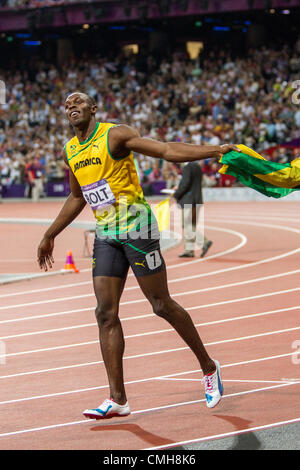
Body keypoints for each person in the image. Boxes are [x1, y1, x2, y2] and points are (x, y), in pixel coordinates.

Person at [37, 92, 239, 419]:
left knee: (160, 305)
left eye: (78, 102)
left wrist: (214, 151)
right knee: (104, 312)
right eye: (66, 105)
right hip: (106, 234)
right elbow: (78, 196)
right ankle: (118, 399)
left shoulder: (115, 134)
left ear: (93, 108)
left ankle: (208, 366)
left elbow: (166, 149)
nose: (71, 106)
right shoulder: (70, 150)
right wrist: (50, 234)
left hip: (138, 227)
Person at [174, 161, 212, 258]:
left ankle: (204, 242)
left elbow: (185, 184)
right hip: (197, 199)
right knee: (192, 224)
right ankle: (189, 250)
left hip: (188, 200)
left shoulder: (187, 167)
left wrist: (176, 193)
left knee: (186, 225)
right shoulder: (197, 166)